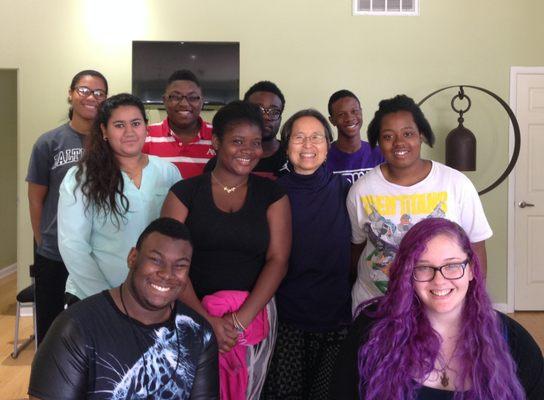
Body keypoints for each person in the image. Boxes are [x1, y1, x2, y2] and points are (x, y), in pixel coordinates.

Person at [330, 218, 544, 399]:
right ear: (407, 274)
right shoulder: (372, 332)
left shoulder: (513, 341)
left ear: (470, 270)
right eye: (423, 268)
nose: (439, 280)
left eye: (452, 265)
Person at [161, 100, 291, 399]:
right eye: (237, 141)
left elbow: (278, 260)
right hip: (189, 313)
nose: (249, 150)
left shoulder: (273, 194)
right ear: (216, 142)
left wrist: (238, 321)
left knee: (246, 391)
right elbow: (169, 262)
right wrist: (207, 320)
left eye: (256, 143)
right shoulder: (184, 193)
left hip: (252, 320)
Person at [28, 217, 219, 400]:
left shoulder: (198, 333)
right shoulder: (75, 328)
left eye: (180, 266)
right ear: (133, 258)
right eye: (156, 260)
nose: (167, 274)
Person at [347, 94, 492, 312]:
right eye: (388, 136)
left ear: (421, 135)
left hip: (439, 306)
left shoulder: (456, 184)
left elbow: (476, 247)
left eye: (408, 133)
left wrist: (475, 298)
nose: (399, 143)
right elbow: (356, 249)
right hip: (377, 305)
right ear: (378, 141)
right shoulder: (362, 190)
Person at [262, 110, 352, 400]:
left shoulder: (346, 191)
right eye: (299, 137)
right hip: (288, 318)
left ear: (328, 145)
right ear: (287, 146)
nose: (308, 145)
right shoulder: (271, 193)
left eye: (317, 137)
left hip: (336, 318)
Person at [58, 93, 181, 302]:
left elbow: (178, 237)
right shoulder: (81, 178)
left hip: (154, 296)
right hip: (94, 296)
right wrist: (107, 298)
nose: (129, 132)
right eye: (119, 125)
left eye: (135, 123)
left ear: (146, 127)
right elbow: (73, 246)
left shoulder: (168, 172)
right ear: (104, 131)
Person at [26, 69, 108, 343]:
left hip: (97, 250)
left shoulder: (111, 143)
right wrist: (42, 241)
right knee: (51, 326)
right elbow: (36, 198)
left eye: (99, 93)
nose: (91, 97)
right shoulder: (49, 142)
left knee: (95, 323)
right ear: (70, 93)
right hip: (54, 252)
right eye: (84, 90)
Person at [205, 80, 289, 179]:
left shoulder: (292, 156)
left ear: (280, 117)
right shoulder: (220, 163)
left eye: (274, 111)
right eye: (258, 110)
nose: (266, 117)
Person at [143, 69, 215, 178]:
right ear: (164, 100)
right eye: (176, 97)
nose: (184, 104)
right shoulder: (146, 136)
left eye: (192, 97)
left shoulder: (218, 136)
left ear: (202, 102)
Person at [326, 90, 384, 184]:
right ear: (332, 120)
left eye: (354, 111)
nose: (349, 118)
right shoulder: (324, 158)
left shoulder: (380, 154)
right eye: (341, 114)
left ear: (361, 112)